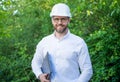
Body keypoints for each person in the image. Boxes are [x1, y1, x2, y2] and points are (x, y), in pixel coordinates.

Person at [31, 3, 93, 82]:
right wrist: (40, 75)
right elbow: (35, 62)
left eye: (63, 19)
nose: (59, 22)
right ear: (52, 20)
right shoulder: (44, 42)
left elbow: (87, 70)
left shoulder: (79, 42)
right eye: (56, 19)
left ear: (69, 20)